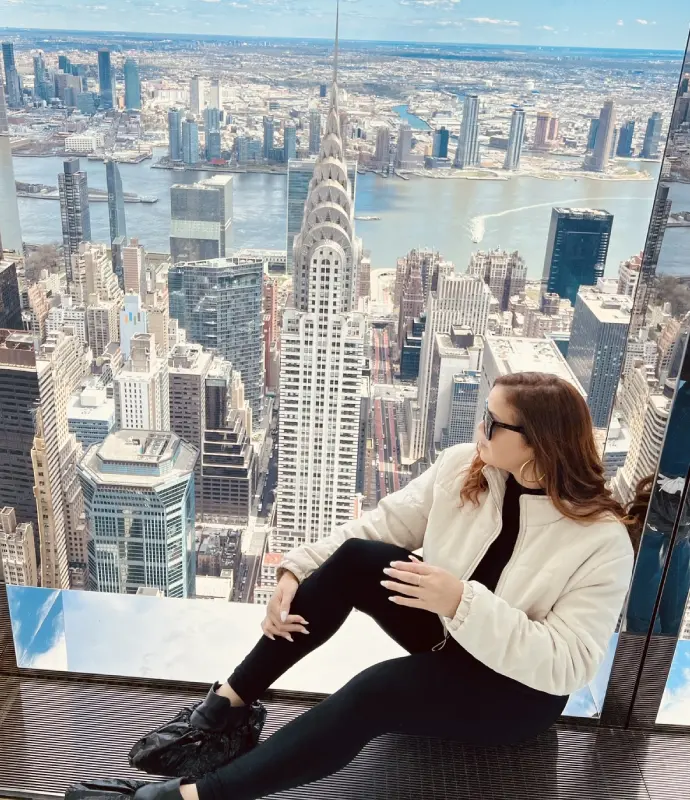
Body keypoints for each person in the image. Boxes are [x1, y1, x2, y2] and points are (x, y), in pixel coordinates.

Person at [71, 372, 643, 800]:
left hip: (514, 693)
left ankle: (196, 798)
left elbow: (568, 665)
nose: (480, 431)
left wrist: (461, 602)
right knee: (358, 558)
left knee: (375, 693)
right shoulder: (464, 468)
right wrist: (296, 571)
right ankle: (230, 706)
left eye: (493, 423)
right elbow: (379, 527)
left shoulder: (598, 540)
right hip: (447, 628)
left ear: (537, 441)